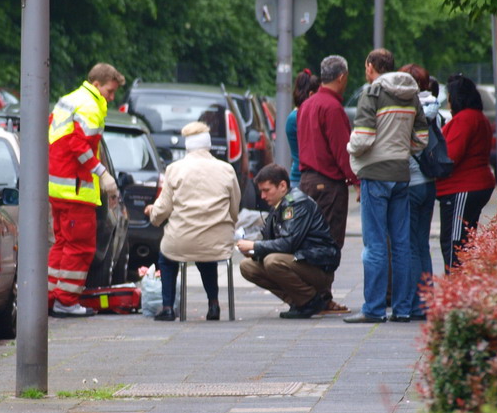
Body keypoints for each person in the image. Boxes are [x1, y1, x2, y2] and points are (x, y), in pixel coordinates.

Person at [344, 48, 428, 324]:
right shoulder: (411, 94)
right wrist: (402, 148)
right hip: (402, 174)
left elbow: (364, 138)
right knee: (401, 244)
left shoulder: (373, 93)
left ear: (371, 66)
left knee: (376, 244)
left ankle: (374, 309)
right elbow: (422, 139)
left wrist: (350, 148)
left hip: (375, 174)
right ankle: (403, 309)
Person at [47, 63, 126, 317]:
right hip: (76, 189)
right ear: (96, 85)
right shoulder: (90, 107)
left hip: (59, 187)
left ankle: (50, 297)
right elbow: (79, 147)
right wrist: (102, 174)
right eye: (110, 91)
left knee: (62, 244)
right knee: (80, 247)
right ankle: (66, 301)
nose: (111, 98)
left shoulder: (69, 100)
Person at [145, 121, 241, 322]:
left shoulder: (174, 169)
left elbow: (164, 208)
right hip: (218, 242)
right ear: (208, 144)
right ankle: (213, 304)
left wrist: (153, 216)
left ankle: (168, 307)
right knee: (207, 254)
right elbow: (234, 207)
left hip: (182, 240)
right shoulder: (227, 169)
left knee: (167, 257)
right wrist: (229, 224)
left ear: (187, 145)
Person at [237, 164, 341, 319]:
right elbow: (273, 241)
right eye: (261, 191)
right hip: (300, 261)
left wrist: (255, 246)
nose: (263, 196)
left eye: (267, 190)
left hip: (318, 267)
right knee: (248, 266)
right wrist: (254, 252)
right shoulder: (278, 205)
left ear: (283, 186)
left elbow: (288, 243)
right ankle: (299, 302)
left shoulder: (297, 204)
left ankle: (311, 301)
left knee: (273, 261)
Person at [296, 55, 356, 314]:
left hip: (307, 180)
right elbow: (343, 151)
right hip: (328, 183)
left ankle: (312, 295)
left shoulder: (308, 104)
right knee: (329, 242)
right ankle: (323, 297)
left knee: (310, 240)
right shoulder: (332, 108)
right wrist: (357, 181)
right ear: (341, 77)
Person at [436, 74, 496, 272]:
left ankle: (455, 287)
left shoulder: (465, 119)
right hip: (476, 184)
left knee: (455, 242)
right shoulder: (478, 117)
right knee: (464, 240)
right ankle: (461, 285)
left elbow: (451, 156)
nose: (448, 103)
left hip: (462, 187)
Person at [399, 63, 440, 320]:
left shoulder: (410, 108)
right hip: (429, 183)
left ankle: (416, 304)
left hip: (411, 182)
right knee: (423, 245)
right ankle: (428, 301)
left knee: (411, 246)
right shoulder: (435, 106)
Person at [286, 68, 320, 187]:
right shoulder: (298, 117)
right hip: (302, 179)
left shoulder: (293, 116)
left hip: (299, 178)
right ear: (311, 94)